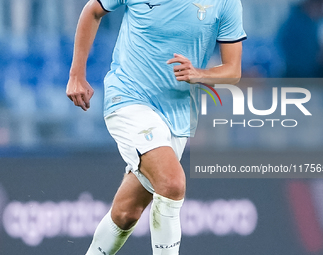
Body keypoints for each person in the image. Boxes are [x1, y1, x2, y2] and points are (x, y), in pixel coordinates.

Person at [66, 0, 246, 254]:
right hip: (129, 98)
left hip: (178, 114)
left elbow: (233, 70)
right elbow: (93, 10)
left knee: (127, 212)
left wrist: (200, 74)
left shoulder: (226, 2)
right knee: (172, 183)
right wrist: (76, 74)